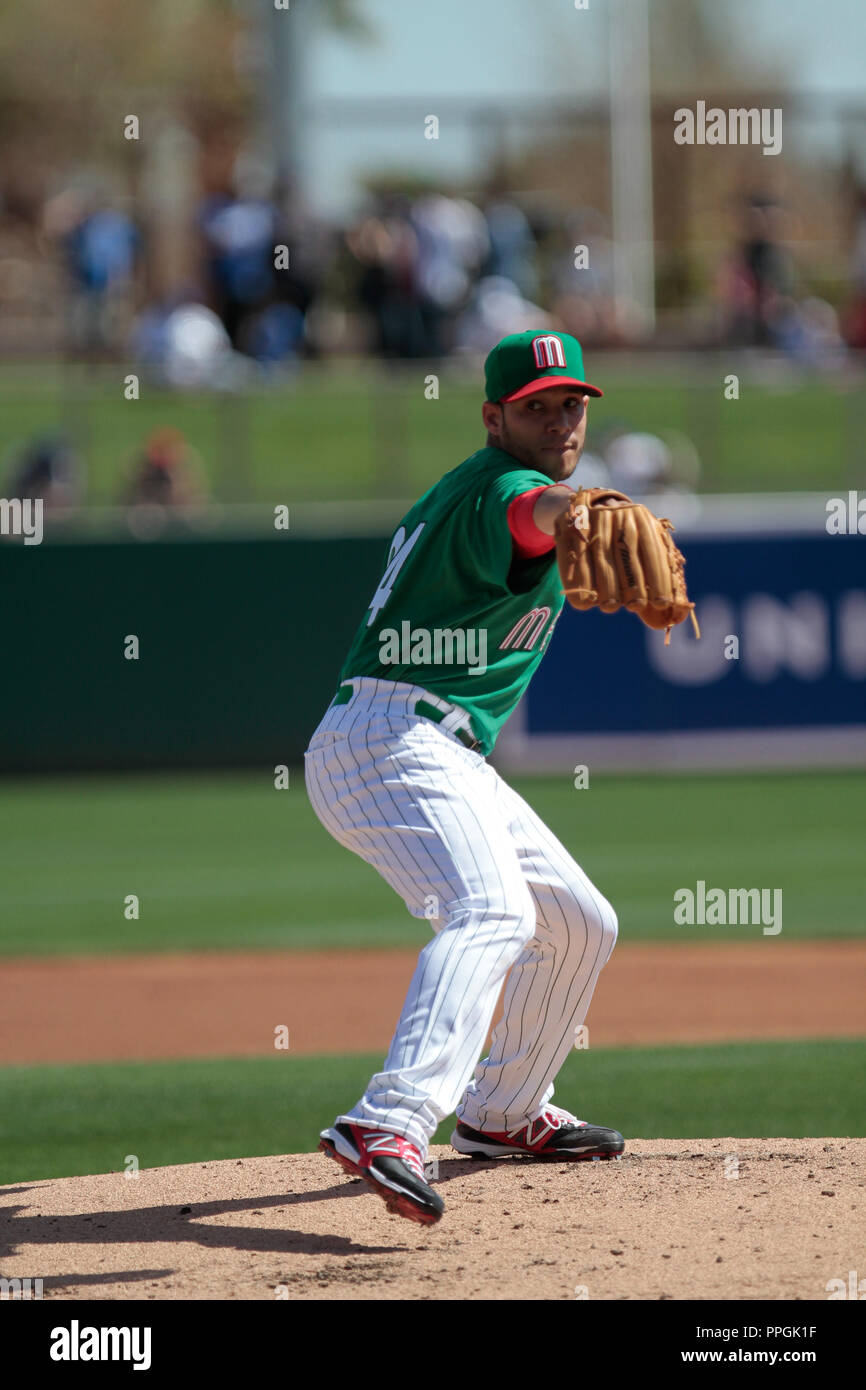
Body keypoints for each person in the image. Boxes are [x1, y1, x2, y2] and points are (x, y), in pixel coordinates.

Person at [304, 331, 624, 1227]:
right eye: (537, 407)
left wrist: (577, 513)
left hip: (436, 750)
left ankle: (503, 1112)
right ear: (495, 418)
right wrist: (579, 513)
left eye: (572, 403)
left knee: (577, 923)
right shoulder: (500, 491)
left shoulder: (505, 488)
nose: (560, 419)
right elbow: (534, 515)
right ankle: (388, 1122)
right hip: (385, 739)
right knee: (494, 912)